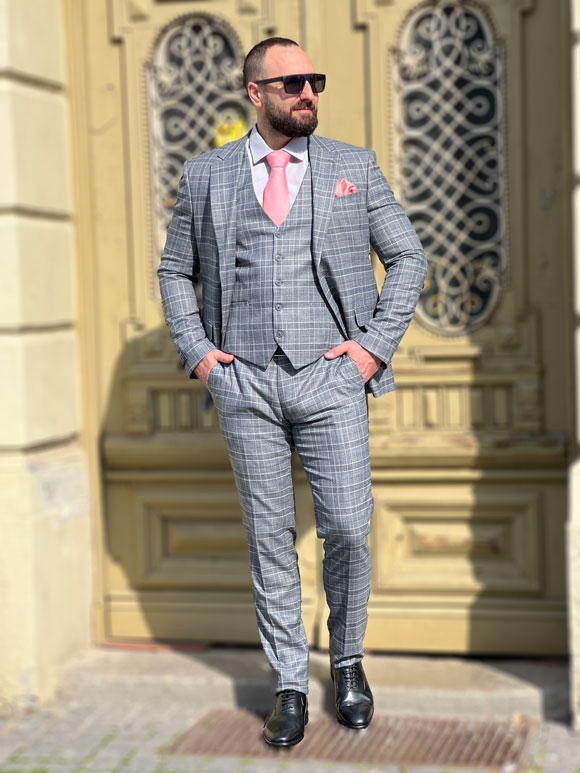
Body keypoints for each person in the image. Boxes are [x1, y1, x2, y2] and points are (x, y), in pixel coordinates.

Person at [158, 37, 427, 747]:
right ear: (256, 93)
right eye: (292, 83)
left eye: (315, 81)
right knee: (269, 535)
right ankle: (287, 681)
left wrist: (371, 348)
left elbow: (407, 257)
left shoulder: (352, 167)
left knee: (347, 527)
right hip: (244, 379)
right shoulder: (207, 175)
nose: (309, 93)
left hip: (331, 376)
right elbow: (174, 270)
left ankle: (347, 660)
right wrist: (200, 355)